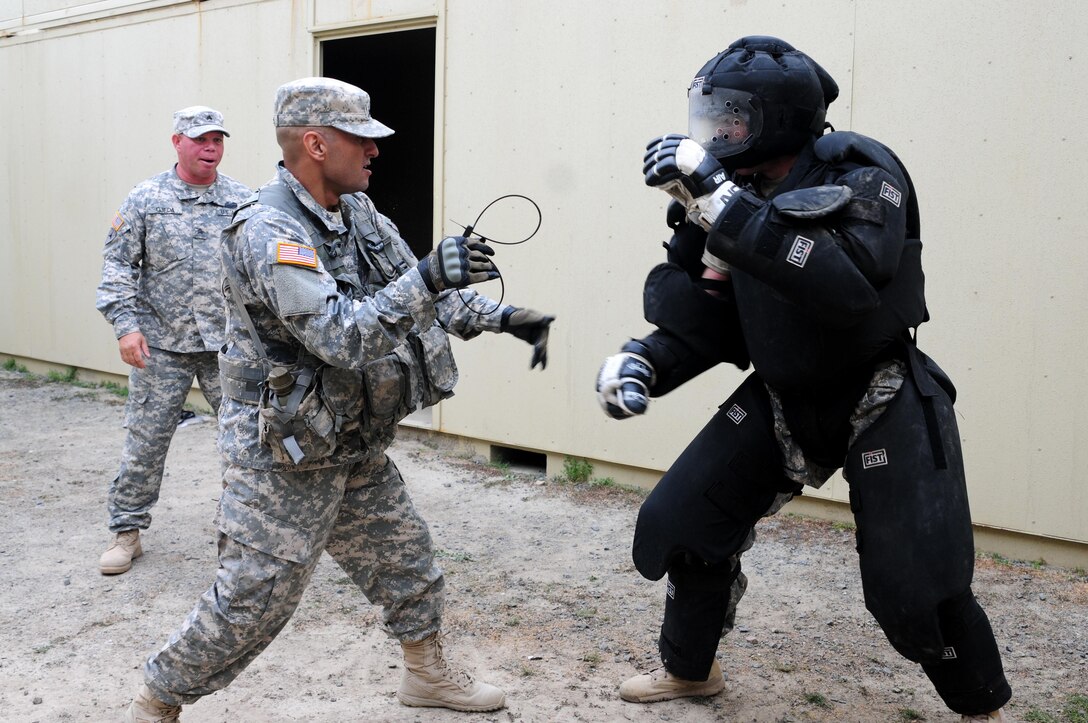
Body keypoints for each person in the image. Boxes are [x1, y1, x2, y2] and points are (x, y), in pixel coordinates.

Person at [596, 36, 1012, 721]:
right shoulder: (731, 195)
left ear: (778, 117)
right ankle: (690, 670)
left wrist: (722, 203)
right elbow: (712, 318)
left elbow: (846, 284)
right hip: (786, 393)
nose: (716, 132)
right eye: (712, 116)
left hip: (877, 390)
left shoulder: (859, 169)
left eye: (731, 117)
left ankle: (983, 709)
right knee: (679, 523)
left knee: (915, 588)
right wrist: (646, 359)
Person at [124, 76, 554, 721]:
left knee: (405, 558)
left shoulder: (355, 211)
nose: (376, 151)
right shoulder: (268, 229)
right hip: (285, 453)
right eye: (363, 139)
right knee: (253, 598)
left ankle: (427, 675)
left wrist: (506, 317)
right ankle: (157, 700)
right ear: (317, 144)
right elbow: (341, 336)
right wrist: (429, 276)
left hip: (350, 432)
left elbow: (416, 287)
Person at [96, 106, 251, 576]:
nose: (211, 148)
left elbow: (260, 268)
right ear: (177, 142)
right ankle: (126, 533)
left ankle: (242, 533)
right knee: (146, 439)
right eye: (201, 139)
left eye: (218, 140)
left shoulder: (243, 200)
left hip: (228, 346)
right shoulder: (146, 198)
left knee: (244, 441)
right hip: (161, 344)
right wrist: (126, 325)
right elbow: (118, 265)